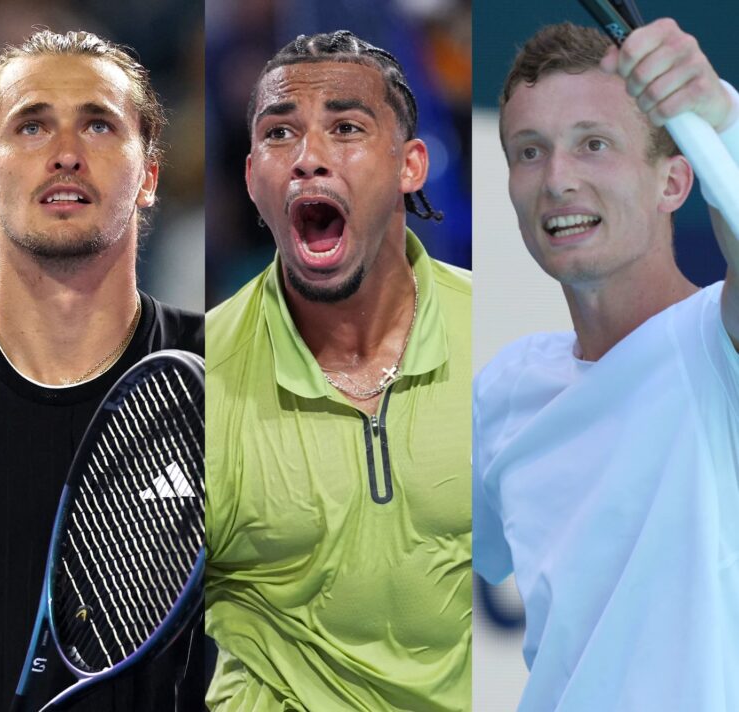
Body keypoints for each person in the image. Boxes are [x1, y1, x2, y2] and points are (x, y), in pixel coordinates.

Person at [473, 20, 739, 710]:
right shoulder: (505, 390)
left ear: (676, 181)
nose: (558, 180)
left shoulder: (719, 342)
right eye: (530, 152)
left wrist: (723, 119)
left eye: (594, 145)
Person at [205, 30, 472, 711]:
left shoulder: (503, 339)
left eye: (346, 127)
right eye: (279, 135)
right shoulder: (195, 378)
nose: (308, 159)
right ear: (250, 178)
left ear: (411, 165)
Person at [0, 30, 205, 711]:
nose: (65, 155)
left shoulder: (232, 379)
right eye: (31, 126)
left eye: (98, 124)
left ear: (148, 177)